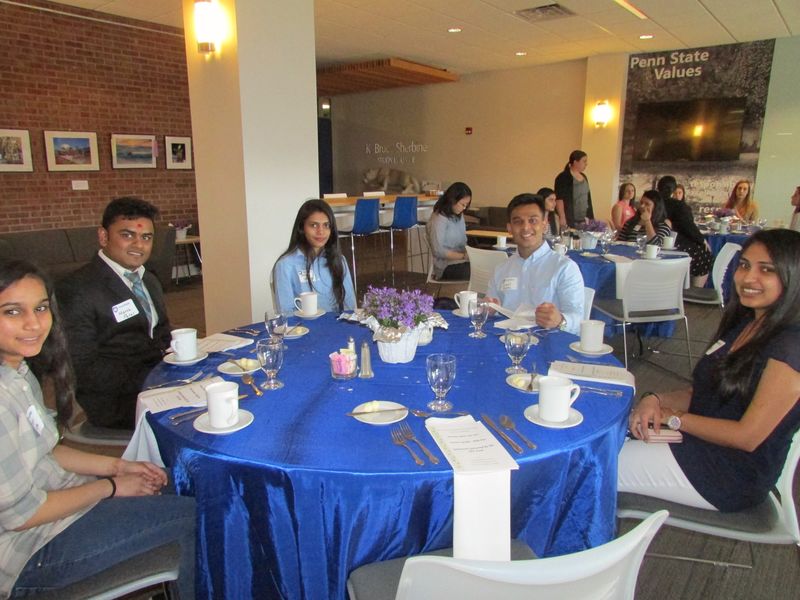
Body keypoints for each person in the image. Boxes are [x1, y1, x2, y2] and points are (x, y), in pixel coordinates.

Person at [0, 259, 195, 598]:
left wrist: (119, 465)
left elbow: (46, 448)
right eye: (13, 312)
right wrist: (110, 486)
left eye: (41, 308)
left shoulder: (16, 371)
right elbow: (23, 515)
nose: (33, 324)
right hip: (30, 549)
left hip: (62, 503)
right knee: (198, 514)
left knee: (180, 482)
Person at [619, 229, 800, 512]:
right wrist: (655, 399)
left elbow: (747, 437)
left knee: (599, 469)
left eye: (766, 270)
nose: (748, 278)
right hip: (698, 443)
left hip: (728, 474)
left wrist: (674, 418)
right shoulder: (748, 322)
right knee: (606, 445)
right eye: (744, 265)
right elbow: (702, 391)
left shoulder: (791, 347)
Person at [57, 197, 171, 430]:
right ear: (103, 236)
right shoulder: (78, 288)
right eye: (127, 235)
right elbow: (83, 367)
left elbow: (161, 333)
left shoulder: (148, 279)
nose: (139, 245)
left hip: (156, 383)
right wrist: (155, 379)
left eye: (146, 237)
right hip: (115, 400)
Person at [485, 194, 584, 335]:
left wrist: (560, 320)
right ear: (509, 228)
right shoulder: (501, 269)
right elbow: (492, 307)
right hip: (506, 342)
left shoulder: (565, 268)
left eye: (533, 220)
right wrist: (489, 310)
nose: (525, 227)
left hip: (549, 346)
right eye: (518, 222)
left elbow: (579, 320)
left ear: (544, 225)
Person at [273, 199, 356, 314]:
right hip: (303, 329)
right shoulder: (285, 265)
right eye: (314, 225)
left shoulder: (339, 260)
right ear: (302, 228)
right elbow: (286, 313)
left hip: (336, 328)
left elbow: (350, 307)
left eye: (326, 225)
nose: (320, 232)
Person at [658, 175, 712, 287]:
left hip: (656, 241)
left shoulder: (654, 202)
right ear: (673, 190)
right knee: (705, 254)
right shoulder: (677, 205)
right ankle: (696, 290)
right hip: (673, 244)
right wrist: (702, 240)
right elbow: (688, 227)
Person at [426, 182, 472, 280]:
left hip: (462, 262)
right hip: (445, 267)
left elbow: (463, 242)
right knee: (478, 272)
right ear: (452, 200)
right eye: (462, 204)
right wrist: (464, 256)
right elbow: (438, 251)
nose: (464, 208)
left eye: (466, 205)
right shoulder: (439, 218)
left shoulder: (459, 216)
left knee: (487, 267)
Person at [554, 150, 593, 229]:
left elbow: (587, 198)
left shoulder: (584, 177)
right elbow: (559, 198)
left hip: (584, 219)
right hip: (570, 218)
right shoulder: (563, 177)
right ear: (575, 162)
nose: (586, 164)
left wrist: (590, 217)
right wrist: (562, 217)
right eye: (584, 161)